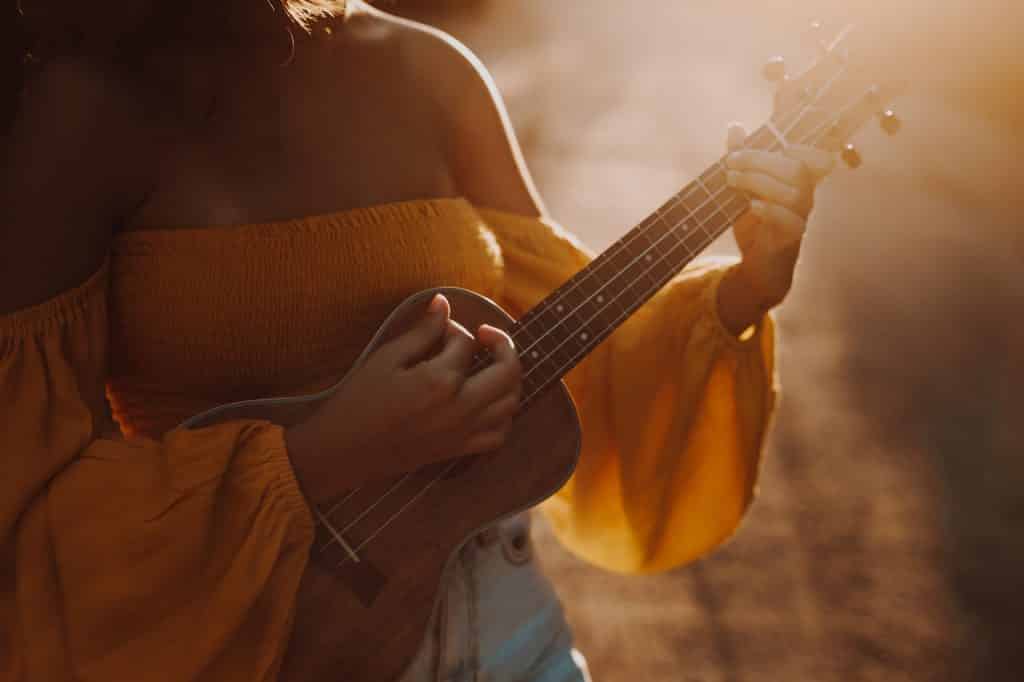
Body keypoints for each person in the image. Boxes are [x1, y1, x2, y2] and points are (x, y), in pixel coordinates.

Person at [0, 1, 835, 680]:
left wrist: (742, 288)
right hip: (260, 647)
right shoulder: (81, 112)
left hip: (514, 641)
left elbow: (564, 344)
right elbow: (25, 517)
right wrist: (323, 452)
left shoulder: (429, 68)